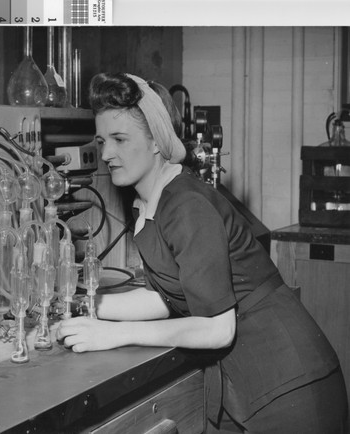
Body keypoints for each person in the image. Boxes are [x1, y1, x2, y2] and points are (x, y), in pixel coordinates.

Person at [56, 72, 348, 433]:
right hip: (250, 383)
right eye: (102, 141)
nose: (106, 153)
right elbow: (166, 297)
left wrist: (115, 333)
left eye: (119, 139)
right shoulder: (149, 203)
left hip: (290, 383)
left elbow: (217, 329)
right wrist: (78, 306)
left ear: (155, 141)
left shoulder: (186, 204)